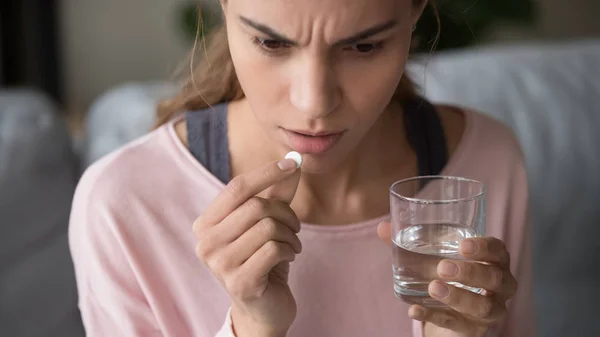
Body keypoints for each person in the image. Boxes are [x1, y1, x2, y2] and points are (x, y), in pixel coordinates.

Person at [69, 0, 534, 336]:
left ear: (416, 13)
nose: (313, 102)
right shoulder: (122, 204)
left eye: (364, 46)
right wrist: (249, 328)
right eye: (271, 41)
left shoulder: (487, 164)